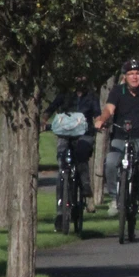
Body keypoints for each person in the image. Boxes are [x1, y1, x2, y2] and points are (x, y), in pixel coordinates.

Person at [94, 59, 139, 215]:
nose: (135, 77)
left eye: (138, 73)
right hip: (120, 136)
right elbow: (109, 109)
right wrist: (101, 120)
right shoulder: (118, 91)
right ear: (125, 77)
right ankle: (114, 198)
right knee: (110, 163)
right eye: (131, 74)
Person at [43, 84, 101, 218]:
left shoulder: (91, 96)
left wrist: (98, 123)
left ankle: (87, 190)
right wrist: (43, 120)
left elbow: (97, 115)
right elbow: (51, 109)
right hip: (65, 134)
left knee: (81, 155)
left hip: (84, 134)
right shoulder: (65, 94)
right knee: (62, 167)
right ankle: (60, 212)